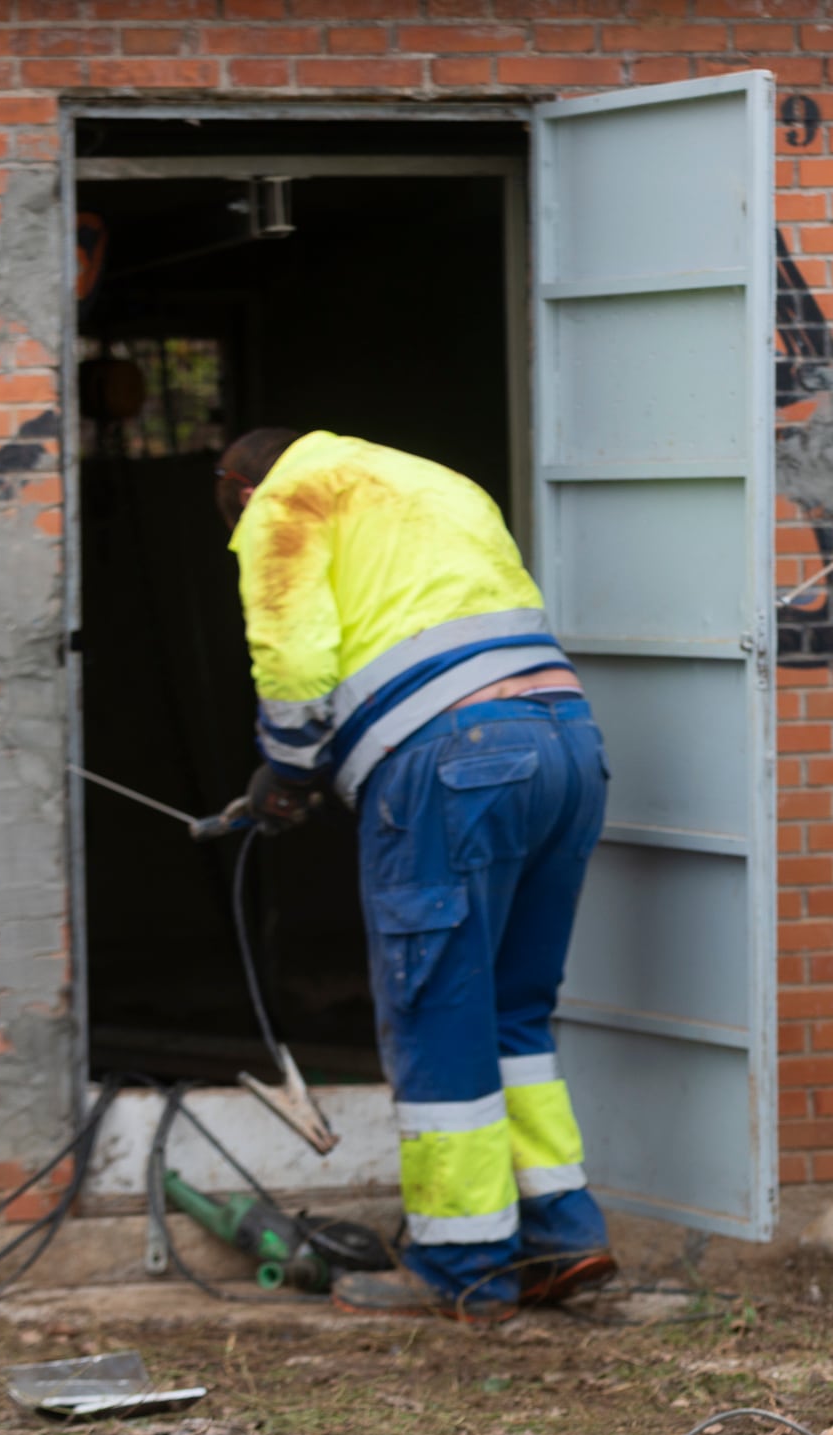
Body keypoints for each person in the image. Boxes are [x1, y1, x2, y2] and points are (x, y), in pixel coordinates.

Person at [214, 427, 616, 1316]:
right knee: (513, 1008)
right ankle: (561, 1232)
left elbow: (293, 660)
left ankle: (461, 1262)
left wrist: (286, 772)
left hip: (455, 764)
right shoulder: (438, 479)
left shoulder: (286, 499)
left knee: (435, 1008)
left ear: (241, 492)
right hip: (567, 746)